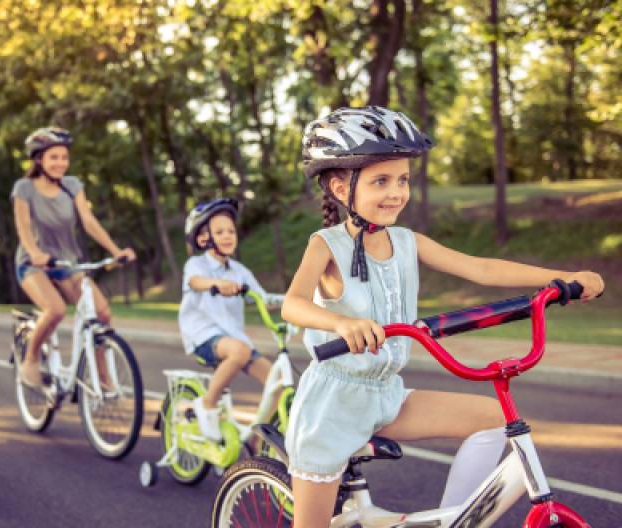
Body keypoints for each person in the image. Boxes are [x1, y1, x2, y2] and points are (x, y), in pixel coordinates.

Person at [281, 106, 605, 527]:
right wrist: (343, 323)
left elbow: (481, 269)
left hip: (385, 396)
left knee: (491, 418)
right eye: (381, 181)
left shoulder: (407, 241)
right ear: (342, 189)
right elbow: (293, 304)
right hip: (332, 405)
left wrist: (563, 279)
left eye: (403, 180)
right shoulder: (326, 245)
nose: (396, 192)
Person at [12, 126, 135, 388]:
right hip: (33, 264)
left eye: (64, 157)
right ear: (39, 159)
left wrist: (116, 252)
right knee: (55, 309)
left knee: (101, 313)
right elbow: (22, 227)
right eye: (54, 157)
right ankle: (31, 360)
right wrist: (35, 253)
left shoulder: (72, 186)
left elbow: (88, 222)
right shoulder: (24, 188)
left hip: (67, 262)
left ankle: (102, 377)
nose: (61, 163)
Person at [178, 198, 278, 441]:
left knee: (278, 382)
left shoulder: (240, 272)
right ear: (204, 239)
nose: (227, 236)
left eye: (231, 231)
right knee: (240, 351)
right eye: (220, 231)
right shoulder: (196, 265)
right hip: (202, 335)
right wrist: (216, 284)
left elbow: (262, 299)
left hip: (234, 340)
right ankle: (207, 404)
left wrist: (296, 300)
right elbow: (195, 282)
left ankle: (257, 439)